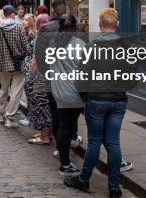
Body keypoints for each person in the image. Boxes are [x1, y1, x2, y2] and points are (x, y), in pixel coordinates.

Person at [64, 8, 131, 197]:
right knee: (114, 143)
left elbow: (80, 78)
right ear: (116, 24)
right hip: (118, 101)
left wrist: (85, 95)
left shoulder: (92, 47)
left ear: (101, 26)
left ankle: (84, 180)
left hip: (97, 99)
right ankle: (114, 188)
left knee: (94, 142)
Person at [37, 0, 84, 157]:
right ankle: (71, 138)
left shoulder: (45, 29)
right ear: (65, 8)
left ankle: (61, 146)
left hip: (53, 77)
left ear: (53, 9)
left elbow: (41, 57)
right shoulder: (77, 25)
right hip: (74, 77)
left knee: (57, 114)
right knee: (72, 111)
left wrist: (47, 73)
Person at [51, 14, 86, 176]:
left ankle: (64, 163)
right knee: (68, 127)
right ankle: (65, 165)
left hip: (58, 92)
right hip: (74, 94)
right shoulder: (79, 45)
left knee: (63, 127)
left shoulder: (54, 43)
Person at [0, 5, 30, 128]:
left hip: (3, 64)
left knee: (4, 89)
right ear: (13, 14)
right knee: (16, 91)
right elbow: (26, 47)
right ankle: (10, 117)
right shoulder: (19, 28)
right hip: (18, 64)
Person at [23, 14, 52, 145]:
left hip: (40, 77)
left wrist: (32, 76)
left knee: (41, 106)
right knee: (48, 106)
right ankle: (46, 133)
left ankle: (44, 136)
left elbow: (35, 62)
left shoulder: (40, 38)